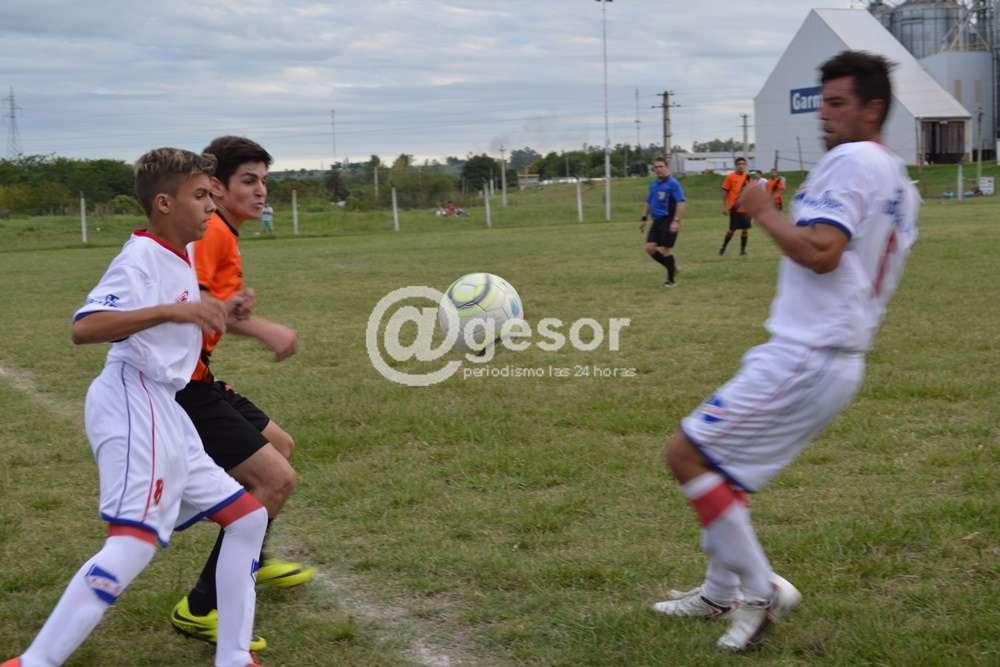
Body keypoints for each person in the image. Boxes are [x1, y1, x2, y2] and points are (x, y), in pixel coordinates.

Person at [652, 50, 919, 651]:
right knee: (726, 471)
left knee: (686, 455)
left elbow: (822, 251)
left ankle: (760, 589)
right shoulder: (899, 181)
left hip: (807, 353)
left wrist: (765, 211)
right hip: (835, 355)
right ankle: (719, 591)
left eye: (838, 103)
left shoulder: (852, 160)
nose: (824, 115)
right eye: (822, 103)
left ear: (872, 110)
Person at [3, 148, 267, 667]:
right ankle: (34, 662)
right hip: (133, 401)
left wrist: (220, 310)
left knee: (247, 517)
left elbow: (179, 314)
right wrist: (171, 310)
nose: (211, 204)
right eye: (200, 195)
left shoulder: (180, 252)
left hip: (166, 407)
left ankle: (234, 657)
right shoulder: (140, 256)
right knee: (133, 543)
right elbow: (86, 328)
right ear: (164, 203)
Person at [169, 136, 314, 652]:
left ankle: (251, 555)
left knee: (281, 447)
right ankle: (200, 606)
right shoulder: (210, 232)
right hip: (181, 386)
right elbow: (194, 301)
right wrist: (263, 329)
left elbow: (213, 305)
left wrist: (237, 313)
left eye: (264, 182)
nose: (261, 192)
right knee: (275, 478)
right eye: (248, 181)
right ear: (216, 186)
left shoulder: (222, 233)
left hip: (200, 376)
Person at [639, 156, 686, 287]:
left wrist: (676, 221)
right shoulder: (653, 184)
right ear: (653, 169)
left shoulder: (673, 183)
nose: (658, 169)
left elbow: (681, 203)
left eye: (661, 166)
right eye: (656, 167)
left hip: (669, 219)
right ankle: (672, 267)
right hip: (657, 220)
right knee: (649, 248)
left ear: (667, 167)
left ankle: (670, 281)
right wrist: (644, 218)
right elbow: (649, 202)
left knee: (666, 249)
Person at [719, 157, 751, 256]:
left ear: (746, 166)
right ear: (736, 166)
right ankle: (723, 247)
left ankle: (743, 250)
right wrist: (724, 206)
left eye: (743, 164)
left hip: (746, 208)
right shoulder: (730, 177)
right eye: (739, 164)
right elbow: (724, 193)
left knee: (745, 229)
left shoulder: (747, 177)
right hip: (735, 207)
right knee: (732, 230)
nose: (741, 166)